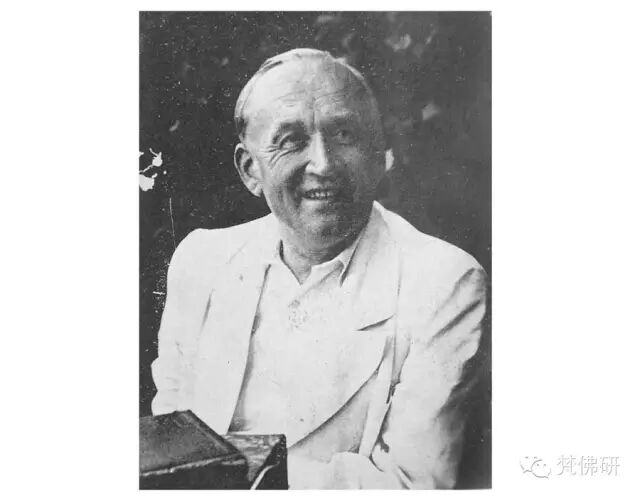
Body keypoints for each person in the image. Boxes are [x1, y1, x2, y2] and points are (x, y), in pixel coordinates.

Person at [151, 48, 487, 489]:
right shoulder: (201, 261)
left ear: (378, 156)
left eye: (344, 134)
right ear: (250, 170)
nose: (324, 164)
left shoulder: (443, 282)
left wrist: (227, 476)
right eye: (291, 140)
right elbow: (172, 443)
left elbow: (411, 484)